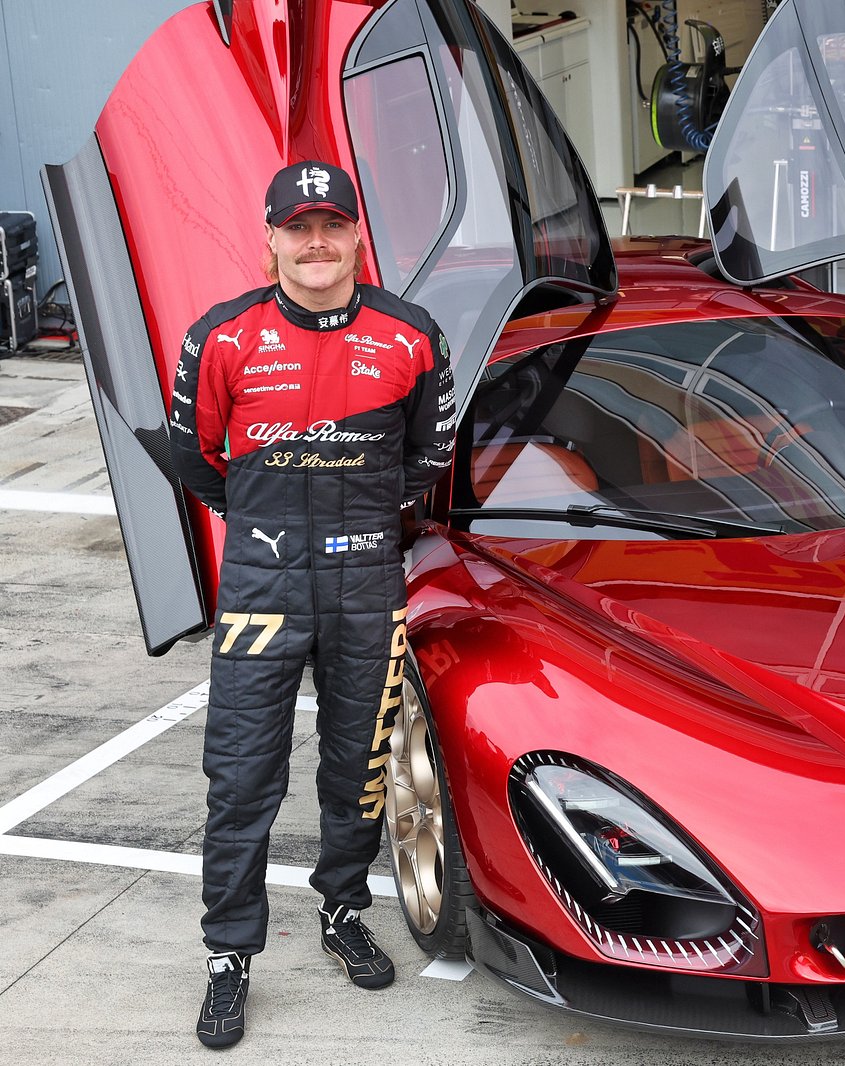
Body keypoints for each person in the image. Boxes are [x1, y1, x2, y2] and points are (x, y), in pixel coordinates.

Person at [170, 161, 455, 1048]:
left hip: (367, 580)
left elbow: (428, 462)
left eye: (332, 225)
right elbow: (195, 459)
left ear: (356, 235)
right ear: (271, 238)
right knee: (242, 774)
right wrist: (268, 527)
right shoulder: (221, 338)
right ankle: (229, 957)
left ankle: (341, 909)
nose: (318, 243)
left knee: (356, 768)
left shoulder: (411, 335)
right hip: (262, 583)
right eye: (299, 228)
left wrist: (362, 527)